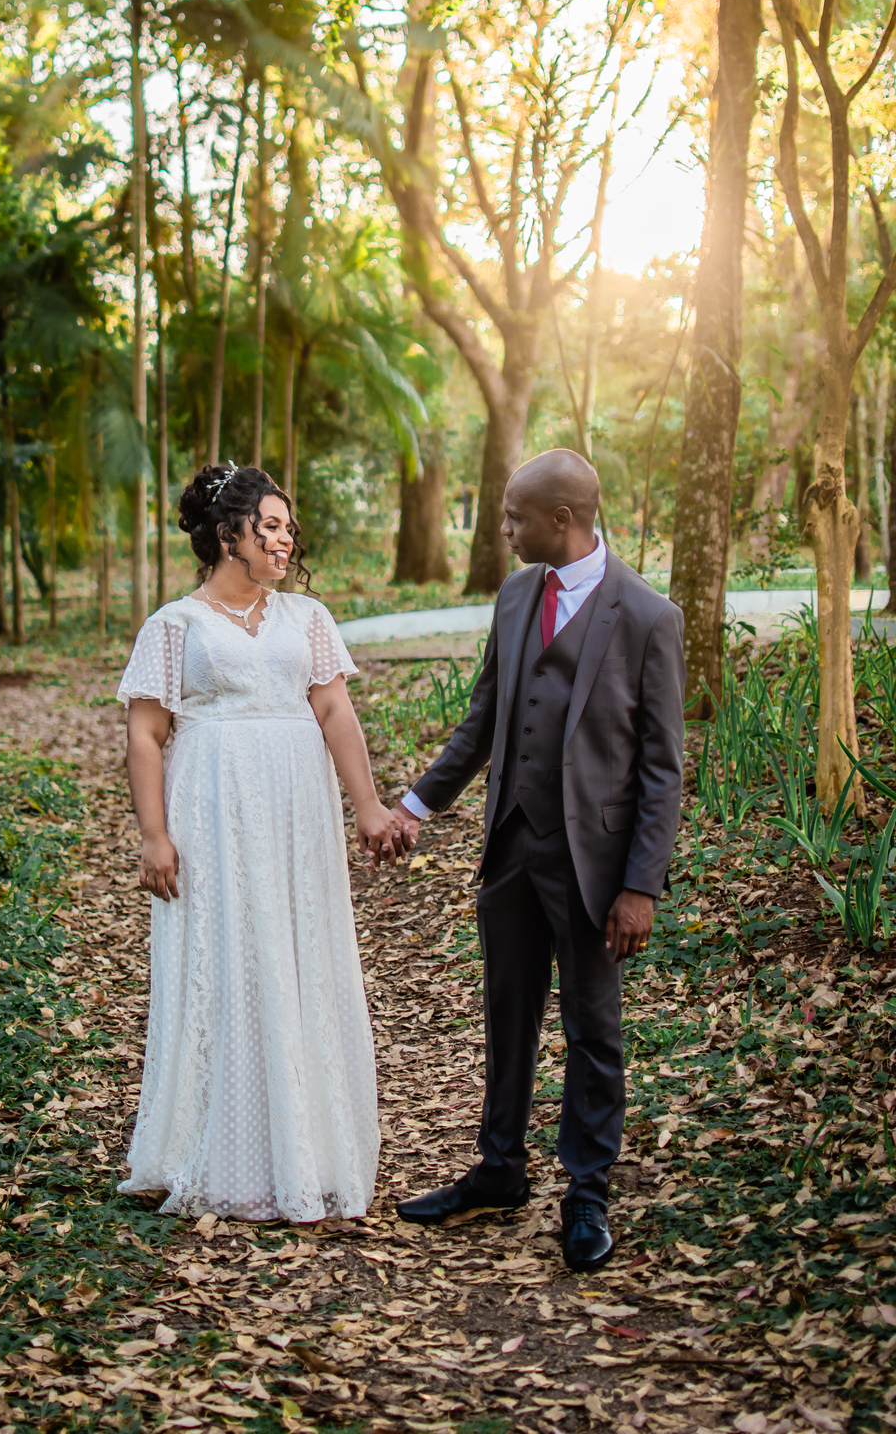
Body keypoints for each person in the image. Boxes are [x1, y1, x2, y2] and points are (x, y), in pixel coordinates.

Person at [389, 449, 685, 1272]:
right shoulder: (517, 595)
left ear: (564, 520)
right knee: (508, 1012)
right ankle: (498, 1169)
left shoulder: (648, 617)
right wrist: (414, 807)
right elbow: (483, 721)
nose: (504, 529)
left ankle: (587, 1192)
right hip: (513, 845)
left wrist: (639, 887)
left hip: (595, 867)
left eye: (515, 517)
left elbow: (663, 769)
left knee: (594, 1028)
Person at [116, 461, 403, 1223]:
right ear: (227, 536)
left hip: (295, 808)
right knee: (228, 957)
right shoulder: (175, 625)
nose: (284, 539)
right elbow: (147, 734)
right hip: (209, 805)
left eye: (286, 527)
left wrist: (368, 807)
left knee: (296, 953)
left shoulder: (307, 619)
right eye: (269, 526)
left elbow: (335, 713)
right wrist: (154, 835)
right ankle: (214, 1151)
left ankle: (303, 1150)